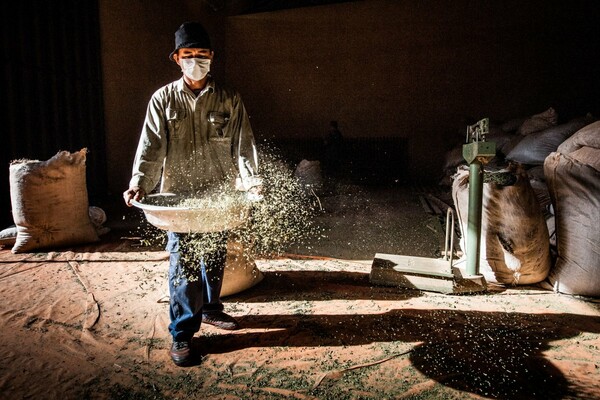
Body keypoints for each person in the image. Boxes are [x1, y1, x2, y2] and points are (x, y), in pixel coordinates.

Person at [123, 21, 262, 367]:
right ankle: (182, 334)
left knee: (214, 256)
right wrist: (140, 182)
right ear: (176, 58)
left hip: (218, 195)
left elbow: (243, 145)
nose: (195, 60)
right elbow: (151, 146)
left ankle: (212, 308)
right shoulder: (163, 99)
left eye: (201, 54)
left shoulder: (229, 98)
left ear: (211, 57)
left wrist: (252, 182)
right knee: (183, 263)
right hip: (179, 198)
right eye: (188, 55)